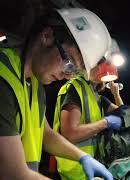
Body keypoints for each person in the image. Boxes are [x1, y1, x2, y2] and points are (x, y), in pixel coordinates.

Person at [0, 8, 114, 179]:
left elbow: (45, 134)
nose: (67, 75)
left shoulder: (35, 84)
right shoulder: (3, 78)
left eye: (75, 71)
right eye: (69, 63)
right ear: (47, 36)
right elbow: (13, 173)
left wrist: (82, 157)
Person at [53, 40, 125, 180]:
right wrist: (105, 122)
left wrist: (116, 94)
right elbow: (70, 134)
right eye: (100, 63)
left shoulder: (96, 96)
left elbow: (125, 114)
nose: (103, 70)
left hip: (94, 166)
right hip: (75, 170)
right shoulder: (74, 88)